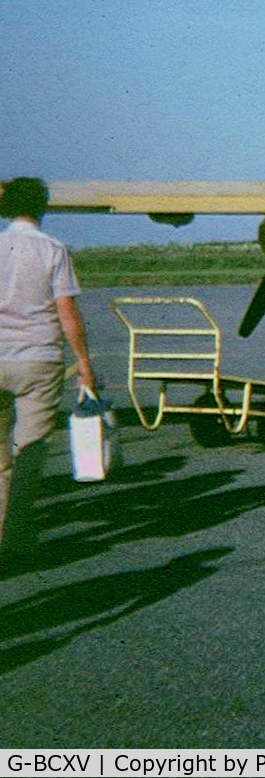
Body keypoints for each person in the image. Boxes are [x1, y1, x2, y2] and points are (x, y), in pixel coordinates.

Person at [0, 176, 96, 567]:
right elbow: (67, 312)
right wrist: (84, 363)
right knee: (30, 451)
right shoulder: (53, 249)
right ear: (42, 207)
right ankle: (18, 540)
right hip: (39, 359)